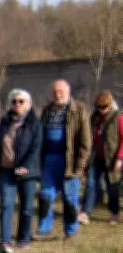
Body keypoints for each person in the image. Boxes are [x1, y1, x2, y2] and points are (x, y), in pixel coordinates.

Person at [33, 79, 91, 241]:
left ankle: (71, 231)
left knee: (69, 198)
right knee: (45, 195)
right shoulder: (47, 110)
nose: (57, 95)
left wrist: (81, 164)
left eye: (61, 92)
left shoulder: (78, 110)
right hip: (48, 161)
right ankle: (45, 230)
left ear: (68, 93)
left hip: (69, 163)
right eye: (55, 92)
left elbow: (86, 141)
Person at [0, 89, 42, 253]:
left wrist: (25, 166)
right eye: (14, 101)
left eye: (21, 101)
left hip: (27, 173)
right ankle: (6, 241)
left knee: (27, 207)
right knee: (6, 205)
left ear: (29, 104)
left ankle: (23, 238)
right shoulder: (4, 121)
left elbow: (36, 148)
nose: (17, 104)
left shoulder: (35, 122)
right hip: (6, 171)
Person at [79, 90, 123, 225]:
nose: (101, 110)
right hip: (96, 157)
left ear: (110, 105)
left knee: (112, 187)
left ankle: (114, 214)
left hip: (112, 159)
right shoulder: (95, 118)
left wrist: (120, 158)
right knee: (91, 185)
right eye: (98, 107)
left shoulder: (119, 118)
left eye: (104, 107)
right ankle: (85, 213)